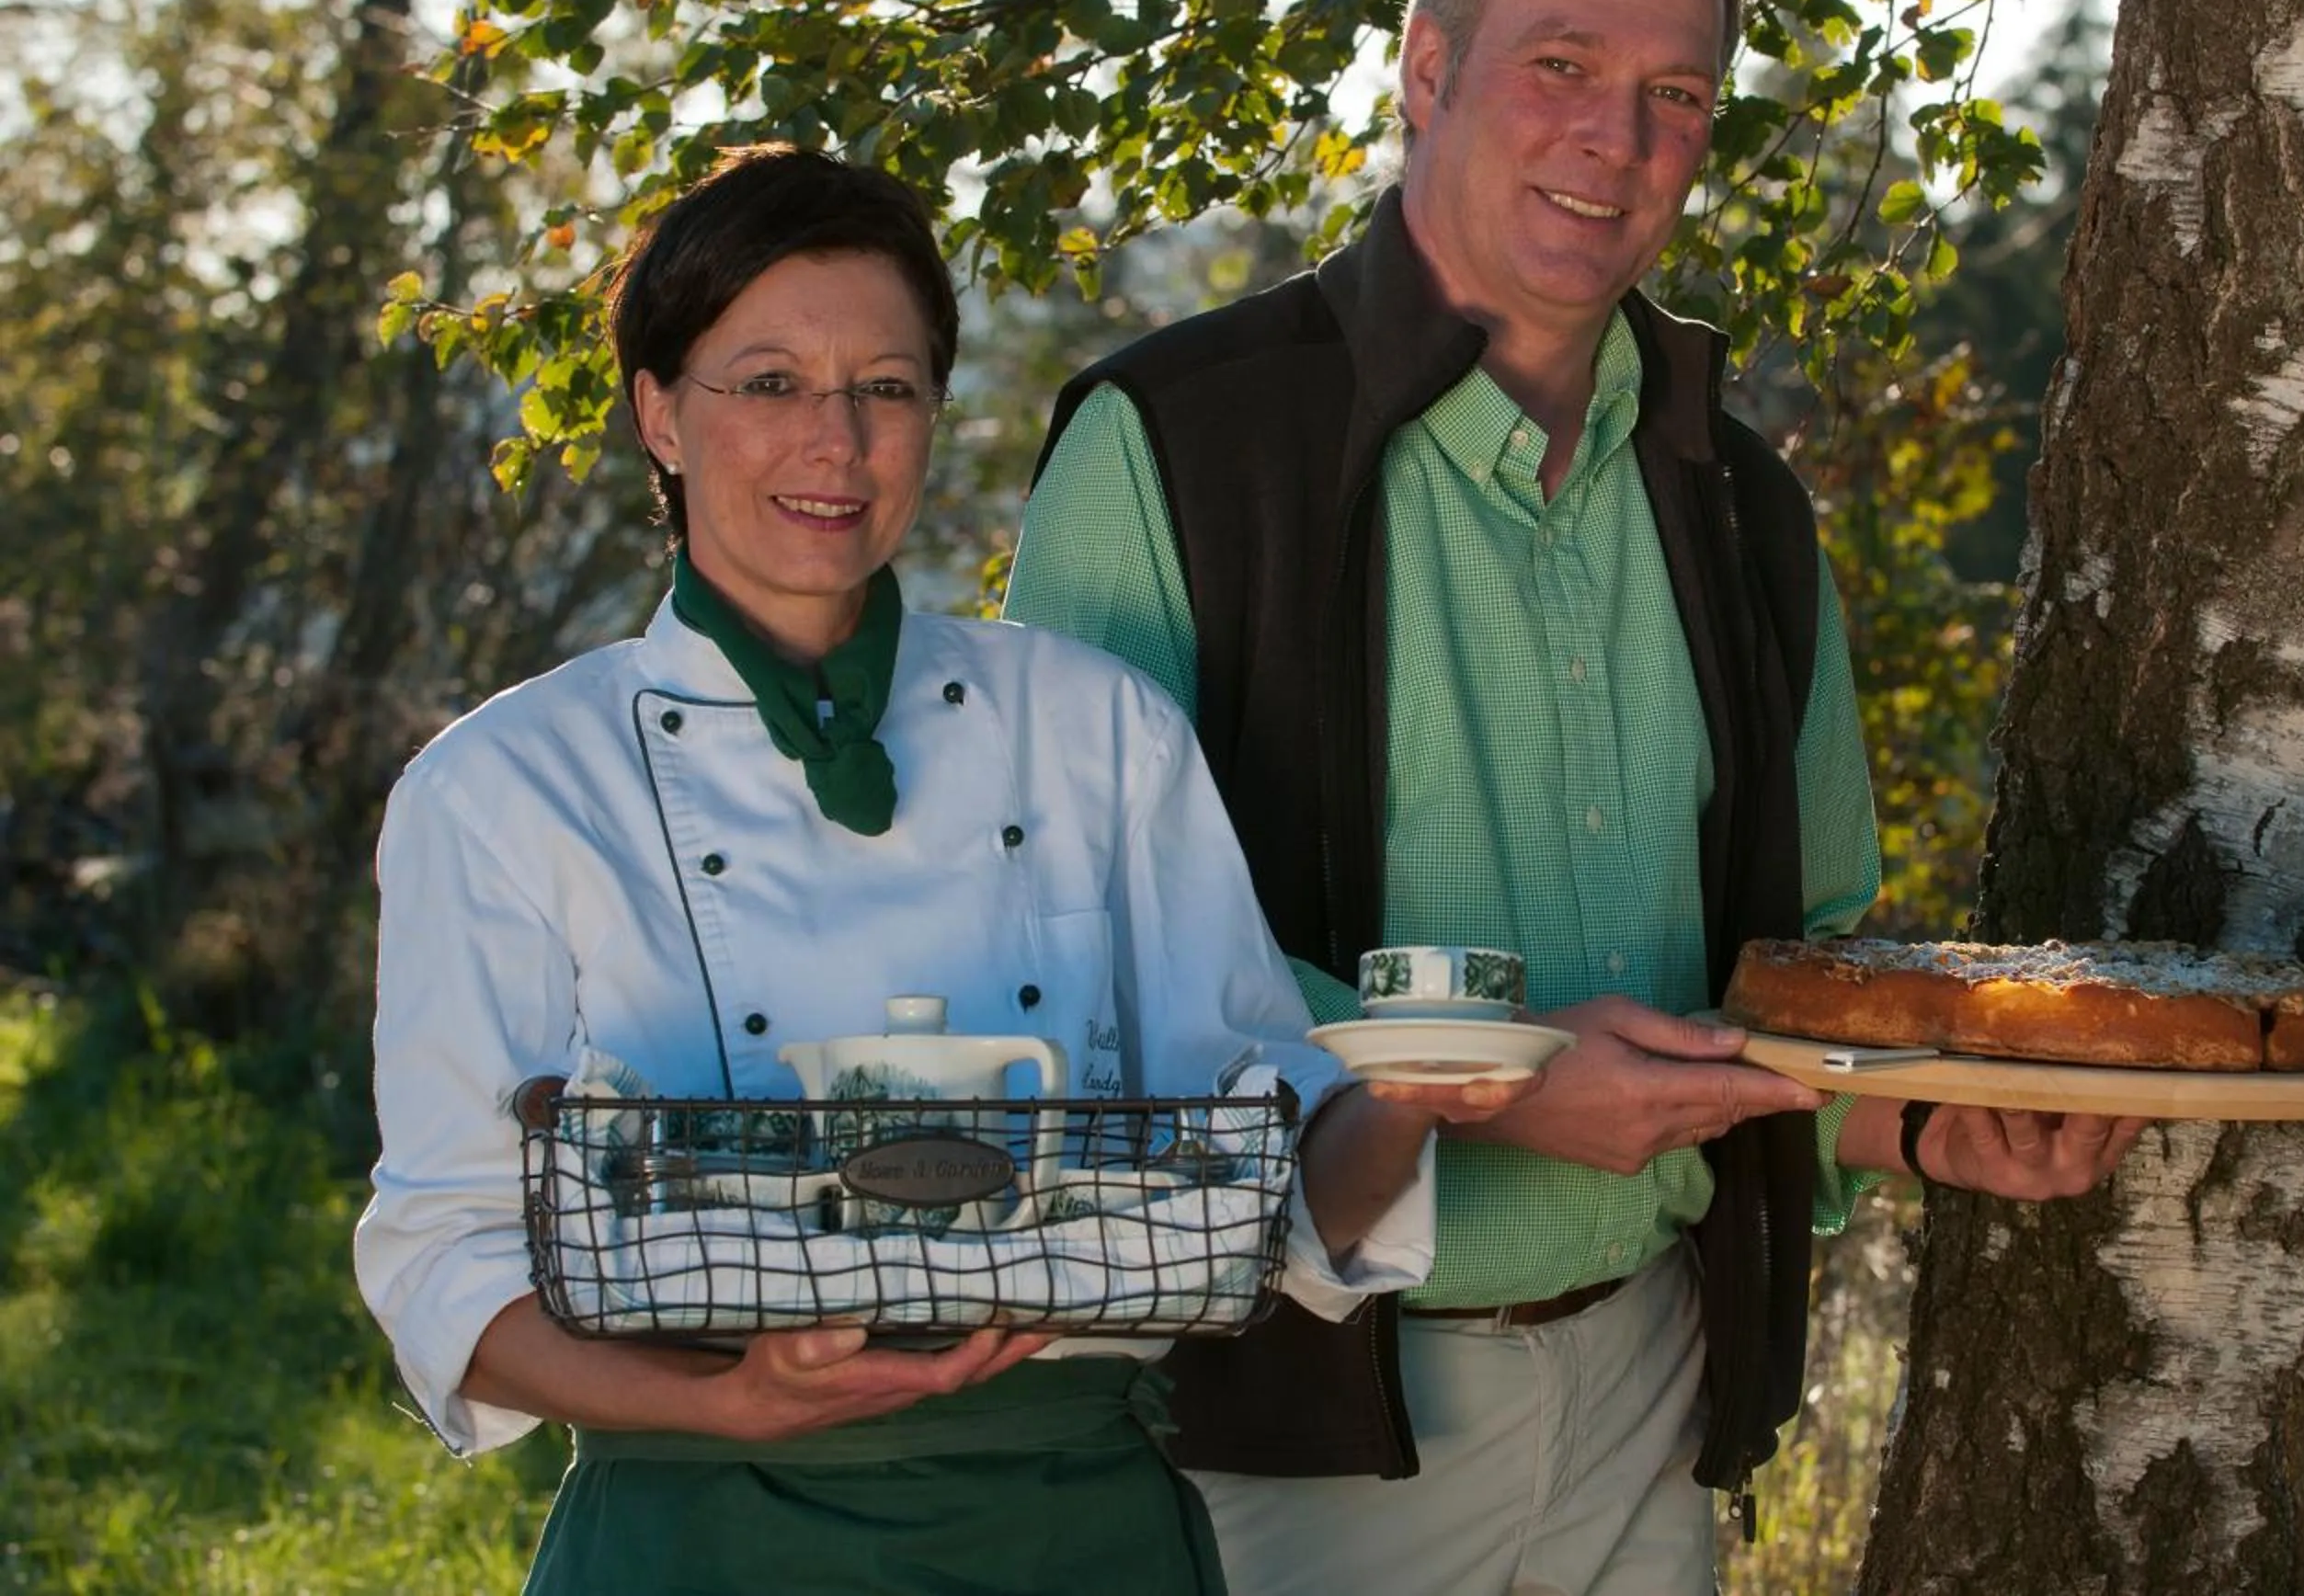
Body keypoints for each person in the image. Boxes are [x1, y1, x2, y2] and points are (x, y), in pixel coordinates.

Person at [1004, 0, 2149, 1596]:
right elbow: (1084, 964)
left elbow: (1799, 978)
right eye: (1561, 68)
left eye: (1674, 94)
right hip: (1287, 1430)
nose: (1613, 142)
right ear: (1429, 71)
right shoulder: (1168, 448)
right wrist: (1507, 1088)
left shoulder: (1745, 510)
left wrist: (1918, 1118)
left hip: (1649, 1398)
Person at [352, 147, 1533, 1596]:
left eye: (886, 388)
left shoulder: (1093, 727)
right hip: (703, 1537)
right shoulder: (507, 786)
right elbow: (447, 1264)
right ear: (660, 413)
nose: (835, 443)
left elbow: (1268, 1202)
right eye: (769, 382)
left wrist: (1407, 1098)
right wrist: (728, 1400)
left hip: (1074, 1524)